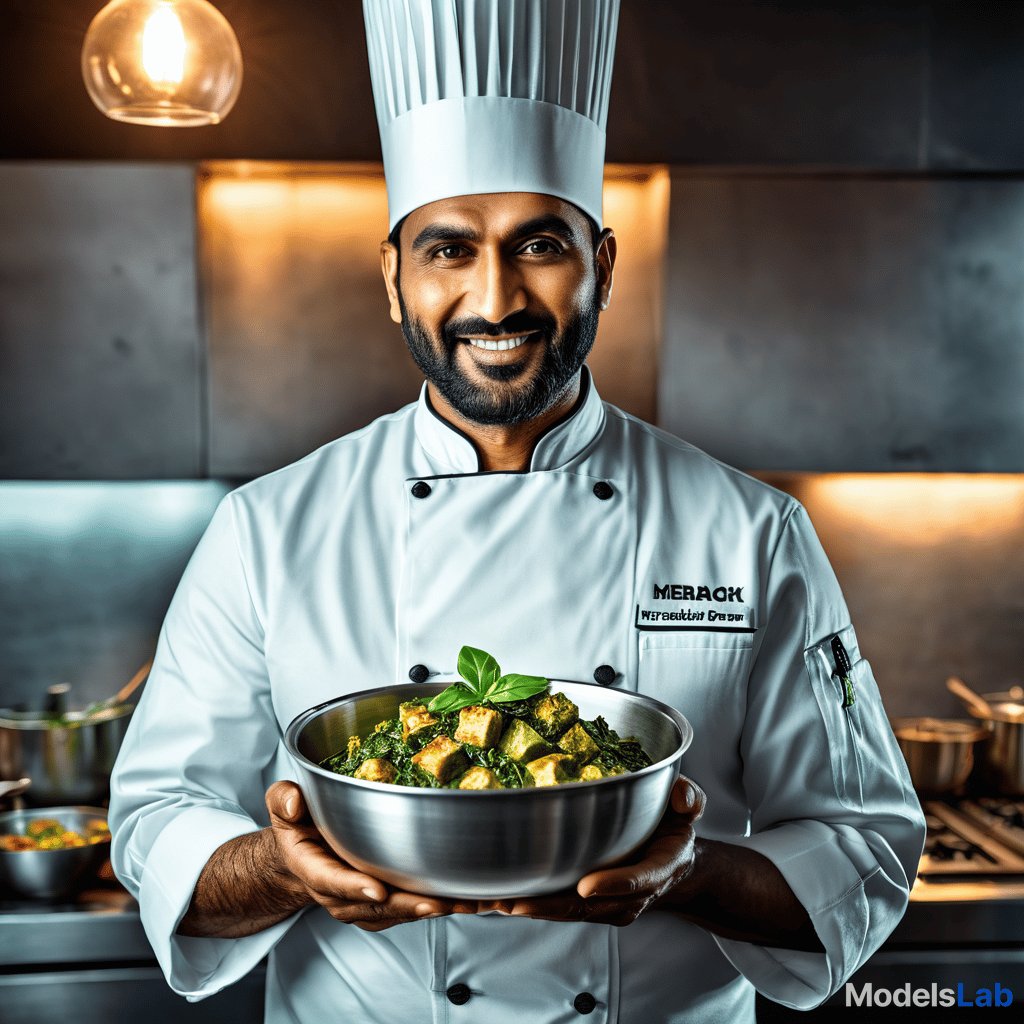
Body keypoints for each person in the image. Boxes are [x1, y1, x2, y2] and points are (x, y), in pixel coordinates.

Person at [108, 2, 926, 1021]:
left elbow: (866, 845)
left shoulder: (751, 533)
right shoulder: (267, 531)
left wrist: (684, 871)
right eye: (448, 250)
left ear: (604, 264)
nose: (496, 298)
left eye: (539, 243)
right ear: (394, 279)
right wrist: (283, 869)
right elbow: (154, 822)